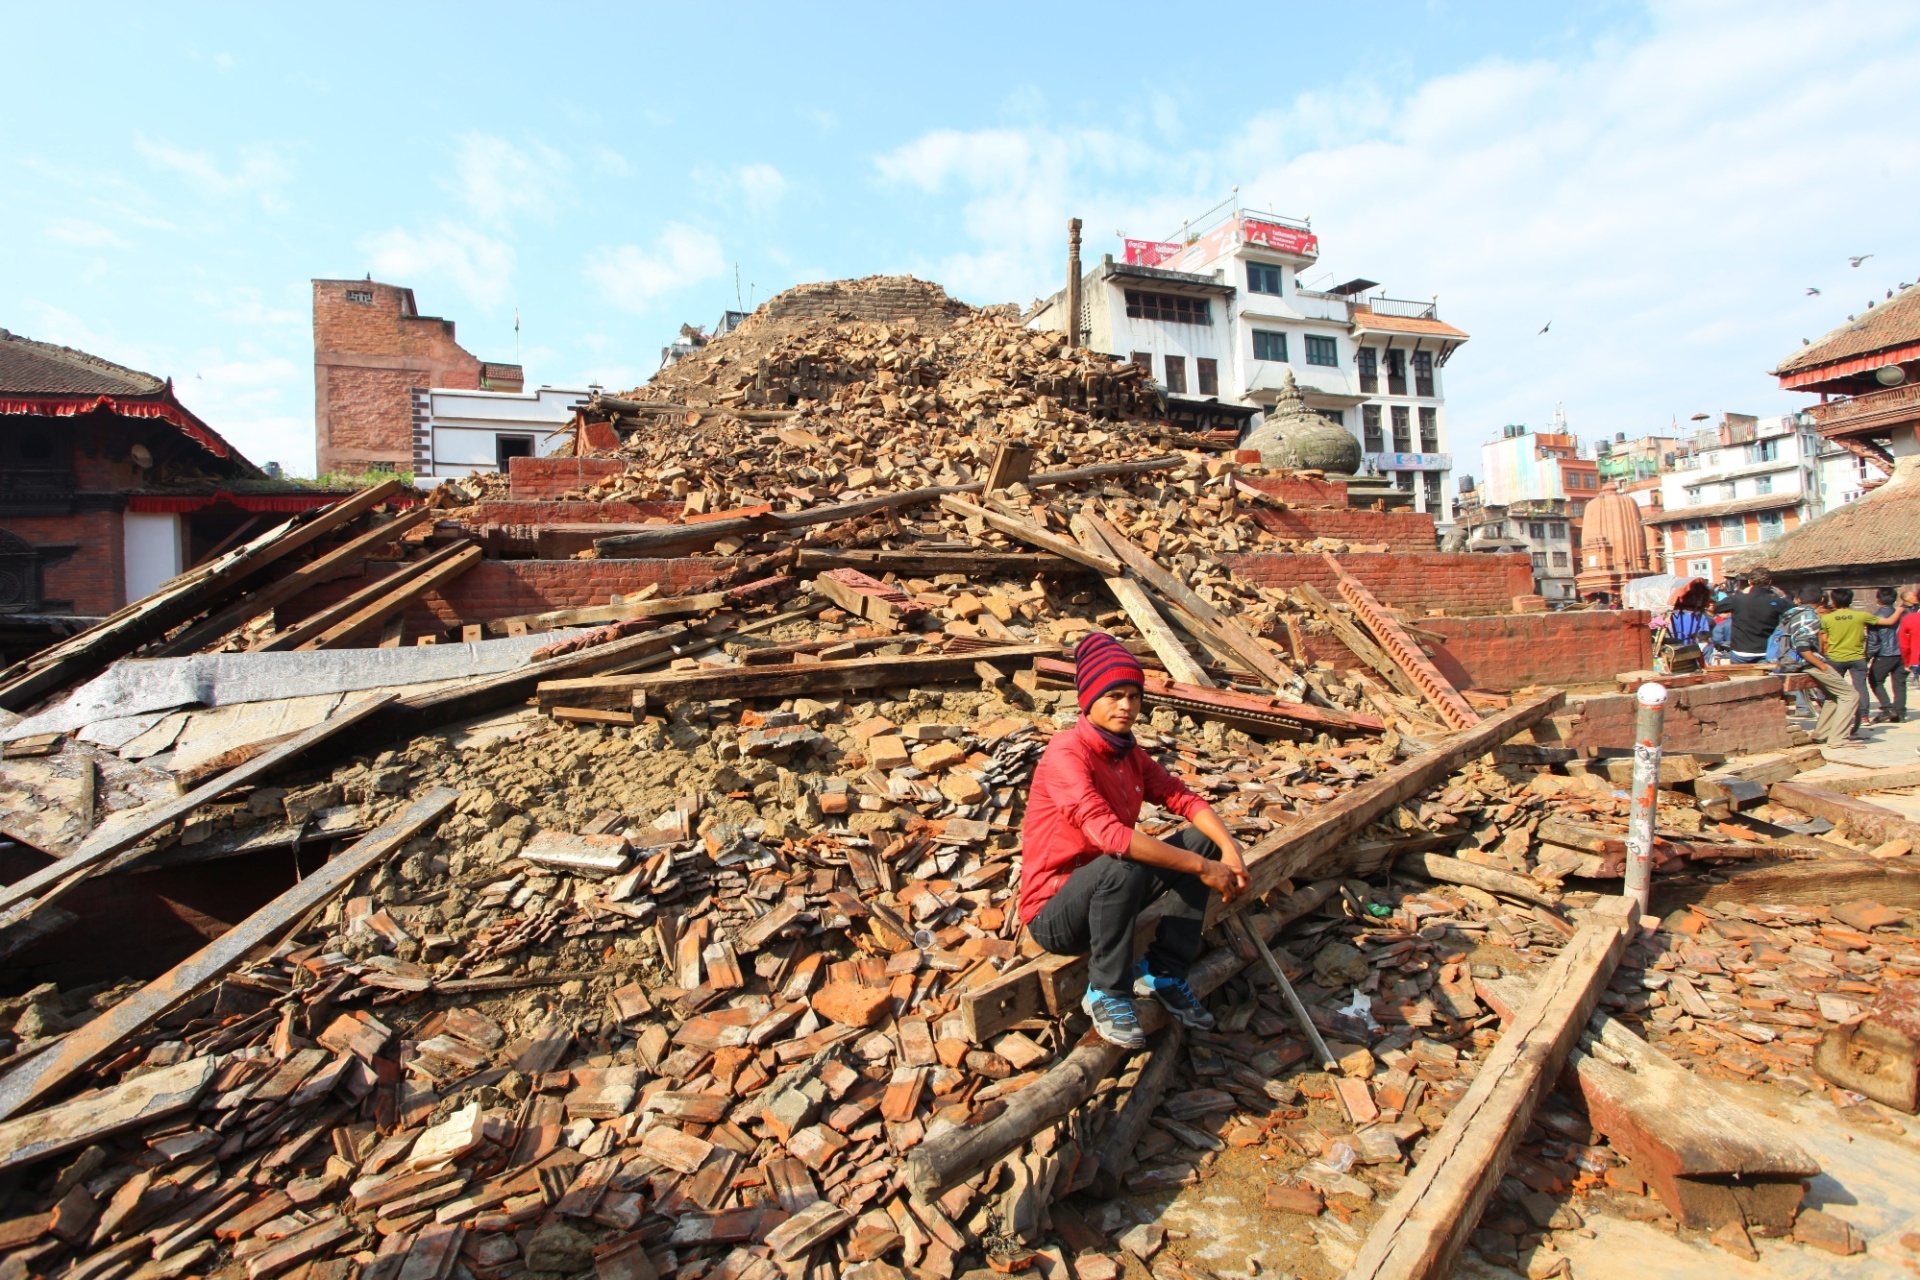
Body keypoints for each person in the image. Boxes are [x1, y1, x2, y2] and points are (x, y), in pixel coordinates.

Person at [1019, 633, 1249, 1049]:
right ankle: (1107, 991)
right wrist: (1202, 869)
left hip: (1112, 896)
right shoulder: (1067, 755)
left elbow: (1183, 797)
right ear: (1088, 700)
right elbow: (1109, 835)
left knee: (1203, 842)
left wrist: (1228, 852)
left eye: (1133, 696)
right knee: (1123, 861)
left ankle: (1161, 971)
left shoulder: (1128, 753)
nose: (1126, 706)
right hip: (1055, 914)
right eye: (1114, 696)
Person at [1782, 585, 1860, 747]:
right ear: (1823, 600)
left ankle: (1822, 733)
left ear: (1798, 599)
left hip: (1790, 661)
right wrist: (1822, 666)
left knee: (1833, 695)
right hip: (1808, 662)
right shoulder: (1811, 617)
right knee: (1850, 695)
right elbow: (1802, 647)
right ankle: (1838, 738)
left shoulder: (1791, 614)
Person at [1820, 588, 1890, 735]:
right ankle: (1864, 716)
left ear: (1833, 601)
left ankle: (1836, 717)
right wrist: (1900, 610)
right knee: (1860, 686)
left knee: (1835, 689)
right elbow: (1888, 621)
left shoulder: (1827, 619)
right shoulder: (1861, 616)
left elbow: (1824, 639)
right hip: (1858, 658)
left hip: (1835, 658)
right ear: (1850, 600)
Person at [1723, 568, 1788, 665]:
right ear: (1770, 582)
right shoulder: (1776, 601)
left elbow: (1718, 607)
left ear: (1749, 582)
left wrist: (1740, 593)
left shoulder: (1738, 599)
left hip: (1741, 651)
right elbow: (1793, 609)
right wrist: (1782, 596)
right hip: (1765, 650)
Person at [1866, 586, 1910, 723]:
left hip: (1885, 654)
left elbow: (1873, 640)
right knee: (1900, 683)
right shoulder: (1904, 615)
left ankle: (1887, 708)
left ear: (1878, 600)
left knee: (1875, 680)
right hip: (1902, 653)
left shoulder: (1876, 617)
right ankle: (1900, 713)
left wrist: (1867, 656)